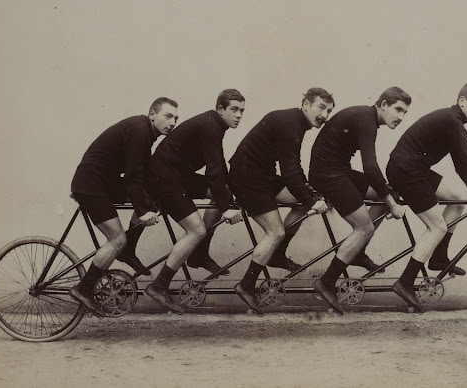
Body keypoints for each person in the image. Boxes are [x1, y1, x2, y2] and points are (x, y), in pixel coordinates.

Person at [386, 83, 467, 312]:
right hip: (405, 170)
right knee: (437, 227)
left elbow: (462, 165)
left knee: (458, 199)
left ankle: (439, 257)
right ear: (462, 101)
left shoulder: (453, 122)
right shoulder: (453, 122)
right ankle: (405, 282)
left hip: (412, 168)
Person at [68, 97, 179, 316]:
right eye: (168, 116)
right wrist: (143, 211)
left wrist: (152, 203)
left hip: (103, 181)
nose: (173, 122)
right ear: (152, 115)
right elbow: (133, 176)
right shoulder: (140, 130)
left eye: (176, 118)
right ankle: (83, 289)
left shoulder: (146, 133)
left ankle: (128, 249)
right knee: (117, 238)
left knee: (151, 198)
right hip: (91, 184)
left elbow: (143, 175)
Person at [228, 88, 333, 315]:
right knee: (275, 232)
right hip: (247, 179)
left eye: (329, 111)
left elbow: (293, 165)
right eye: (321, 107)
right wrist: (312, 199)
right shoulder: (290, 123)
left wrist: (310, 194)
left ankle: (277, 252)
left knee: (306, 201)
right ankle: (246, 286)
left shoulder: (295, 123)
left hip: (261, 176)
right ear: (305, 104)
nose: (324, 115)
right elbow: (289, 171)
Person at [141, 90, 246, 312]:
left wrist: (231, 196)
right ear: (220, 109)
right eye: (234, 110)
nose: (239, 115)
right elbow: (214, 169)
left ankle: (198, 253)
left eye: (242, 111)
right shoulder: (210, 126)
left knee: (223, 193)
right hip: (164, 178)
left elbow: (218, 166)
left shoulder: (214, 125)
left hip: (178, 175)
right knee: (196, 230)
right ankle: (159, 286)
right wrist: (227, 208)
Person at [308, 87, 409, 315]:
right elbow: (370, 167)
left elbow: (372, 174)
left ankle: (357, 251)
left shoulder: (366, 118)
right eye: (398, 110)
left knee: (386, 196)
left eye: (405, 113)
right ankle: (326, 281)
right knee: (364, 227)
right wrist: (393, 205)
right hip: (329, 175)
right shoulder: (367, 120)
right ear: (383, 105)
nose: (401, 117)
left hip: (338, 171)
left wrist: (389, 199)